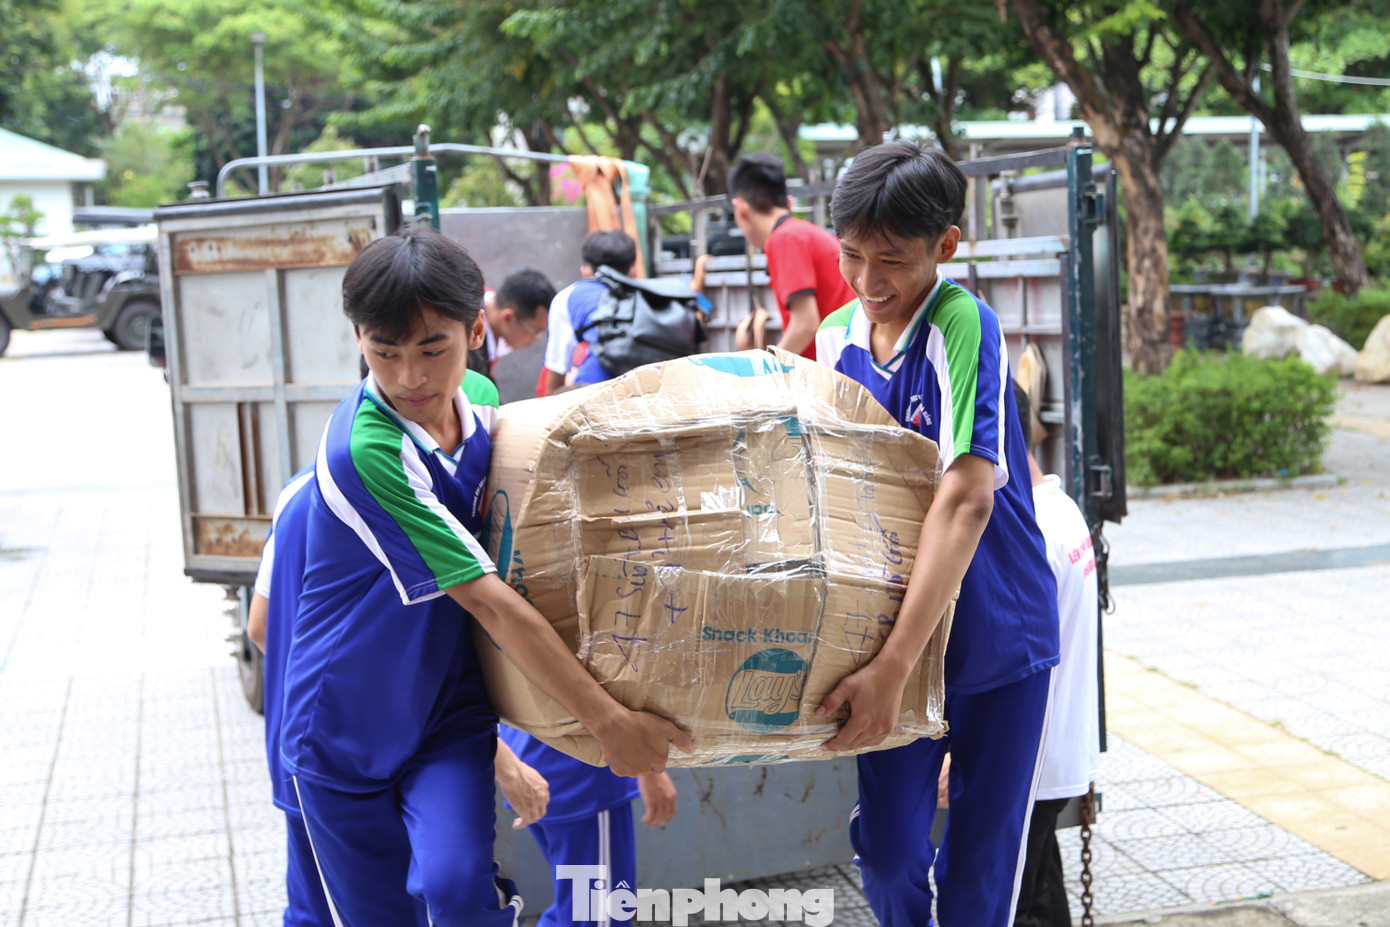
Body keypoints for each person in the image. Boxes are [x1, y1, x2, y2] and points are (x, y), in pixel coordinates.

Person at [279, 224, 690, 925]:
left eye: (432, 347)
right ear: (359, 341)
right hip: (342, 725)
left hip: (444, 712)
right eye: (385, 351)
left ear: (476, 330)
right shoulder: (365, 450)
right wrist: (609, 723)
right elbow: (488, 602)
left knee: (457, 884)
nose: (411, 376)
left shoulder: (480, 400)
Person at [813, 140, 1060, 927]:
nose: (868, 280)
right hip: (892, 640)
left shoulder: (963, 323)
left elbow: (967, 501)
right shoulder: (834, 340)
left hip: (996, 631)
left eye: (892, 258)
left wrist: (891, 665)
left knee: (980, 875)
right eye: (851, 255)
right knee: (887, 856)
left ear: (946, 246)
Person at [245, 366, 549, 926]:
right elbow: (266, 627)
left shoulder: (306, 491)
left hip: (388, 729)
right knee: (335, 910)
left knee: (448, 886)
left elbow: (261, 628)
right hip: (333, 742)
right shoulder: (351, 483)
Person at [1012, 383, 1100, 927]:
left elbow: (1024, 664)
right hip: (1057, 753)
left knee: (1015, 905)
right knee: (1042, 893)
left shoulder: (1030, 531)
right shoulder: (1061, 507)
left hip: (1030, 761)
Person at [499, 726, 678, 927]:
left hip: (531, 759)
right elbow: (609, 699)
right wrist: (649, 766)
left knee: (577, 905)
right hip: (581, 776)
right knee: (599, 913)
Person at [728, 153, 855, 359]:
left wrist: (769, 370)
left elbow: (805, 325)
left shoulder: (785, 239)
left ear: (740, 208)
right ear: (789, 202)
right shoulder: (801, 232)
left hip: (833, 369)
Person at [541, 230, 638, 394]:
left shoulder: (567, 296)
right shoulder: (646, 294)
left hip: (595, 390)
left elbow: (557, 370)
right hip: (647, 385)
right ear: (633, 270)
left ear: (586, 270)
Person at [483, 268, 556, 369]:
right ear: (508, 318)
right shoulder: (469, 353)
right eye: (537, 331)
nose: (537, 339)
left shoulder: (488, 298)